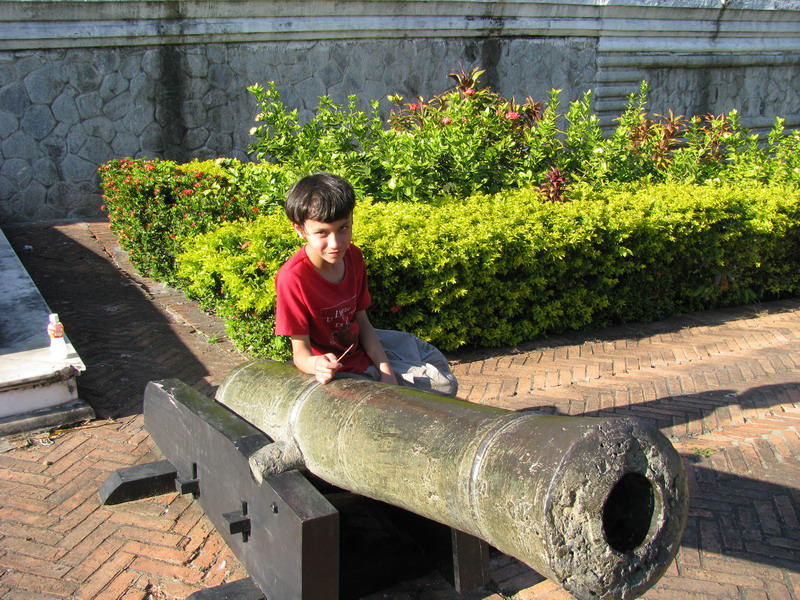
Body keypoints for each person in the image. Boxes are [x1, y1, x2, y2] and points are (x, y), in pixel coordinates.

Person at [274, 172, 458, 395]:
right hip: (340, 368)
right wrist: (317, 365)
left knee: (436, 365)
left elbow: (362, 321)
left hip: (362, 345)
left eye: (343, 228)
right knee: (438, 387)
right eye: (322, 233)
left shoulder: (353, 256)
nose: (335, 243)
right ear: (300, 230)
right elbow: (300, 354)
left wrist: (386, 371)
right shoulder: (292, 278)